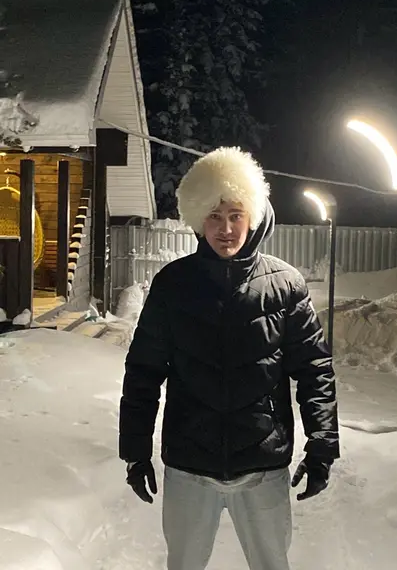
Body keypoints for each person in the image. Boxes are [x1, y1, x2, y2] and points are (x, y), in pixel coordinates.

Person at [119, 146, 340, 570]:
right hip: (189, 468)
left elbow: (315, 370)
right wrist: (135, 450)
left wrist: (322, 446)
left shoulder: (285, 285)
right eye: (215, 216)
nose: (225, 228)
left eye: (236, 215)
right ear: (198, 218)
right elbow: (143, 372)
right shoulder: (173, 285)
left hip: (263, 469)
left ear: (253, 216)